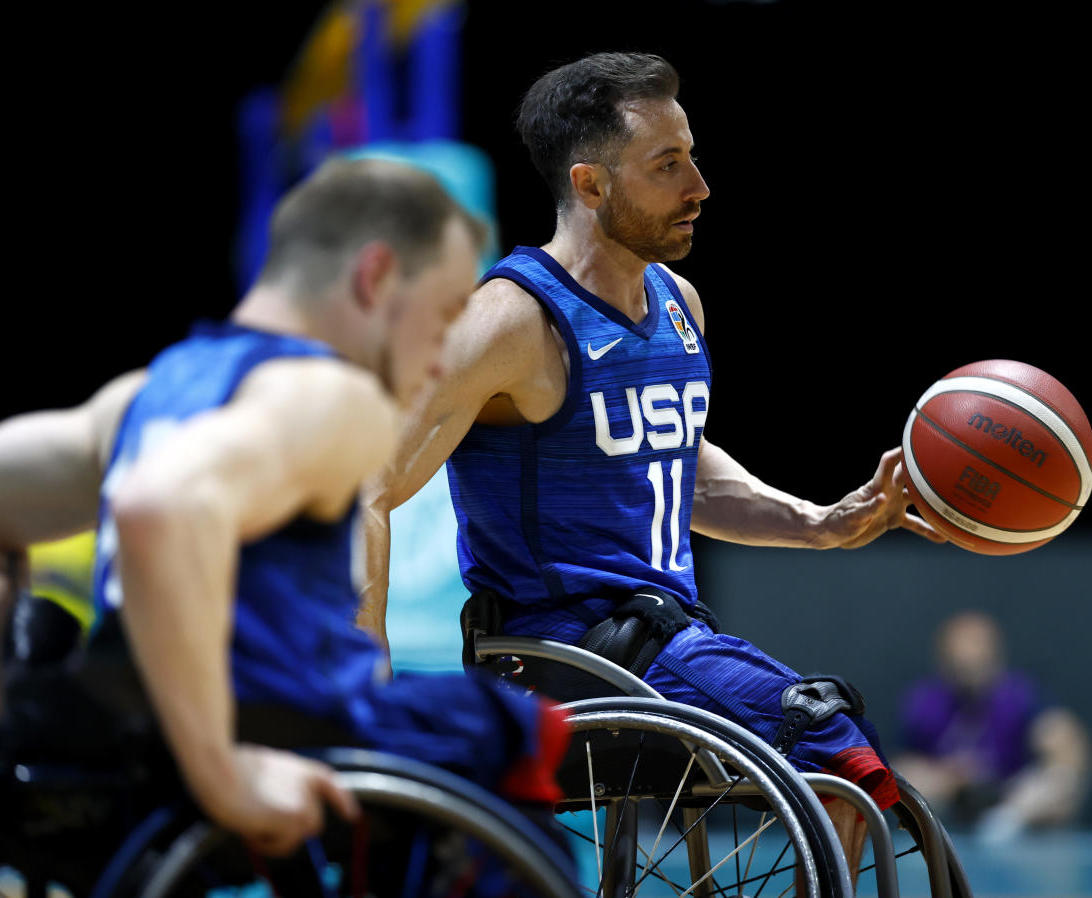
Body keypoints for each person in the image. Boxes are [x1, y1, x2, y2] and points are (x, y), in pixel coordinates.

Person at [358, 51, 947, 880]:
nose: (700, 185)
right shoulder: (511, 321)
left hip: (660, 640)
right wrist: (366, 688)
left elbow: (679, 463)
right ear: (591, 185)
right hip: (560, 652)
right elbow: (365, 489)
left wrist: (818, 524)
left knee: (845, 740)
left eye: (693, 156)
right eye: (668, 165)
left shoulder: (677, 301)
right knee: (826, 737)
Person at [0, 157, 568, 872]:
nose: (441, 364)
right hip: (281, 740)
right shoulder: (331, 396)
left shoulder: (143, 396)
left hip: (131, 755)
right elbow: (159, 504)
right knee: (518, 726)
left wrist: (31, 734)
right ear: (375, 279)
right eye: (441, 322)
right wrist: (219, 772)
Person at [894, 610, 1092, 842]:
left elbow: (1065, 744)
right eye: (960, 664)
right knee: (906, 778)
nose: (969, 671)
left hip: (1012, 801)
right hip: (949, 801)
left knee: (1061, 781)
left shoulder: (1021, 696)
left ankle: (1006, 823)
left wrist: (1057, 768)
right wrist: (947, 776)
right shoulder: (924, 702)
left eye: (977, 661)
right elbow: (902, 761)